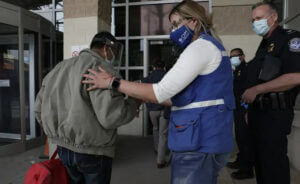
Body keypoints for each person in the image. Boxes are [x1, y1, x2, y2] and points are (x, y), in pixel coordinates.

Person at [82, 1, 235, 183]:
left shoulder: (200, 48)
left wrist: (112, 82)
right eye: (172, 26)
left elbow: (161, 92)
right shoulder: (212, 46)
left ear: (194, 21)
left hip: (198, 143)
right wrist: (140, 96)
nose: (173, 30)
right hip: (211, 139)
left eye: (177, 24)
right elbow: (177, 98)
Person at [34, 31, 140, 184]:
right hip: (93, 152)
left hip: (63, 150)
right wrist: (134, 103)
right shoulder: (101, 70)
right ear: (106, 48)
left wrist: (57, 134)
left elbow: (39, 108)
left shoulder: (60, 67)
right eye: (113, 52)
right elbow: (111, 117)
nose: (114, 56)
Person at [241, 2, 300, 184]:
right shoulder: (265, 44)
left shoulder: (289, 39)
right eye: (253, 20)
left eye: (258, 18)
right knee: (261, 165)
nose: (255, 23)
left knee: (273, 165)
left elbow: (296, 77)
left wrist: (258, 90)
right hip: (259, 114)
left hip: (275, 115)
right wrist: (249, 110)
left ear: (274, 17)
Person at [226, 48, 254, 179]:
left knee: (245, 140)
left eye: (235, 56)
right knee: (240, 138)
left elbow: (248, 91)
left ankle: (246, 170)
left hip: (244, 110)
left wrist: (247, 109)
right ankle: (240, 161)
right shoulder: (237, 71)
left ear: (242, 56)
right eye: (231, 57)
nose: (233, 59)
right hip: (237, 109)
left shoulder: (247, 70)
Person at [141, 59, 169, 168]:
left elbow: (142, 88)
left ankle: (157, 149)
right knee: (163, 134)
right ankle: (160, 160)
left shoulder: (148, 78)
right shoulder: (168, 76)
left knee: (155, 129)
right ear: (164, 67)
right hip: (165, 109)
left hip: (153, 109)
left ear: (153, 67)